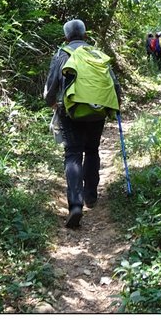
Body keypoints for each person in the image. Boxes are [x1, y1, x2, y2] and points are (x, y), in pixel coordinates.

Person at [44, 19, 122, 228]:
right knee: (92, 150)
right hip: (98, 110)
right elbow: (114, 84)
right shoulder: (96, 54)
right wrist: (116, 107)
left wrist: (51, 102)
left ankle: (75, 204)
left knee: (73, 153)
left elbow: (51, 86)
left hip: (70, 111)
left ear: (66, 37)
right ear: (85, 36)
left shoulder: (62, 54)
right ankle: (91, 196)